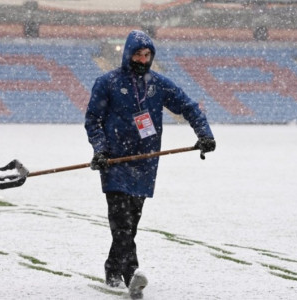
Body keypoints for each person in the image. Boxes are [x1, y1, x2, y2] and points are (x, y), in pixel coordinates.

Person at [84, 30, 216, 299]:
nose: (143, 60)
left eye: (147, 55)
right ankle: (129, 273)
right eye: (138, 54)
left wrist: (204, 134)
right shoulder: (107, 82)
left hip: (145, 164)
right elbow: (93, 121)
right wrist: (100, 150)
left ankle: (114, 269)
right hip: (116, 163)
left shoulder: (158, 84)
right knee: (121, 223)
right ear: (127, 53)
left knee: (130, 224)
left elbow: (189, 107)